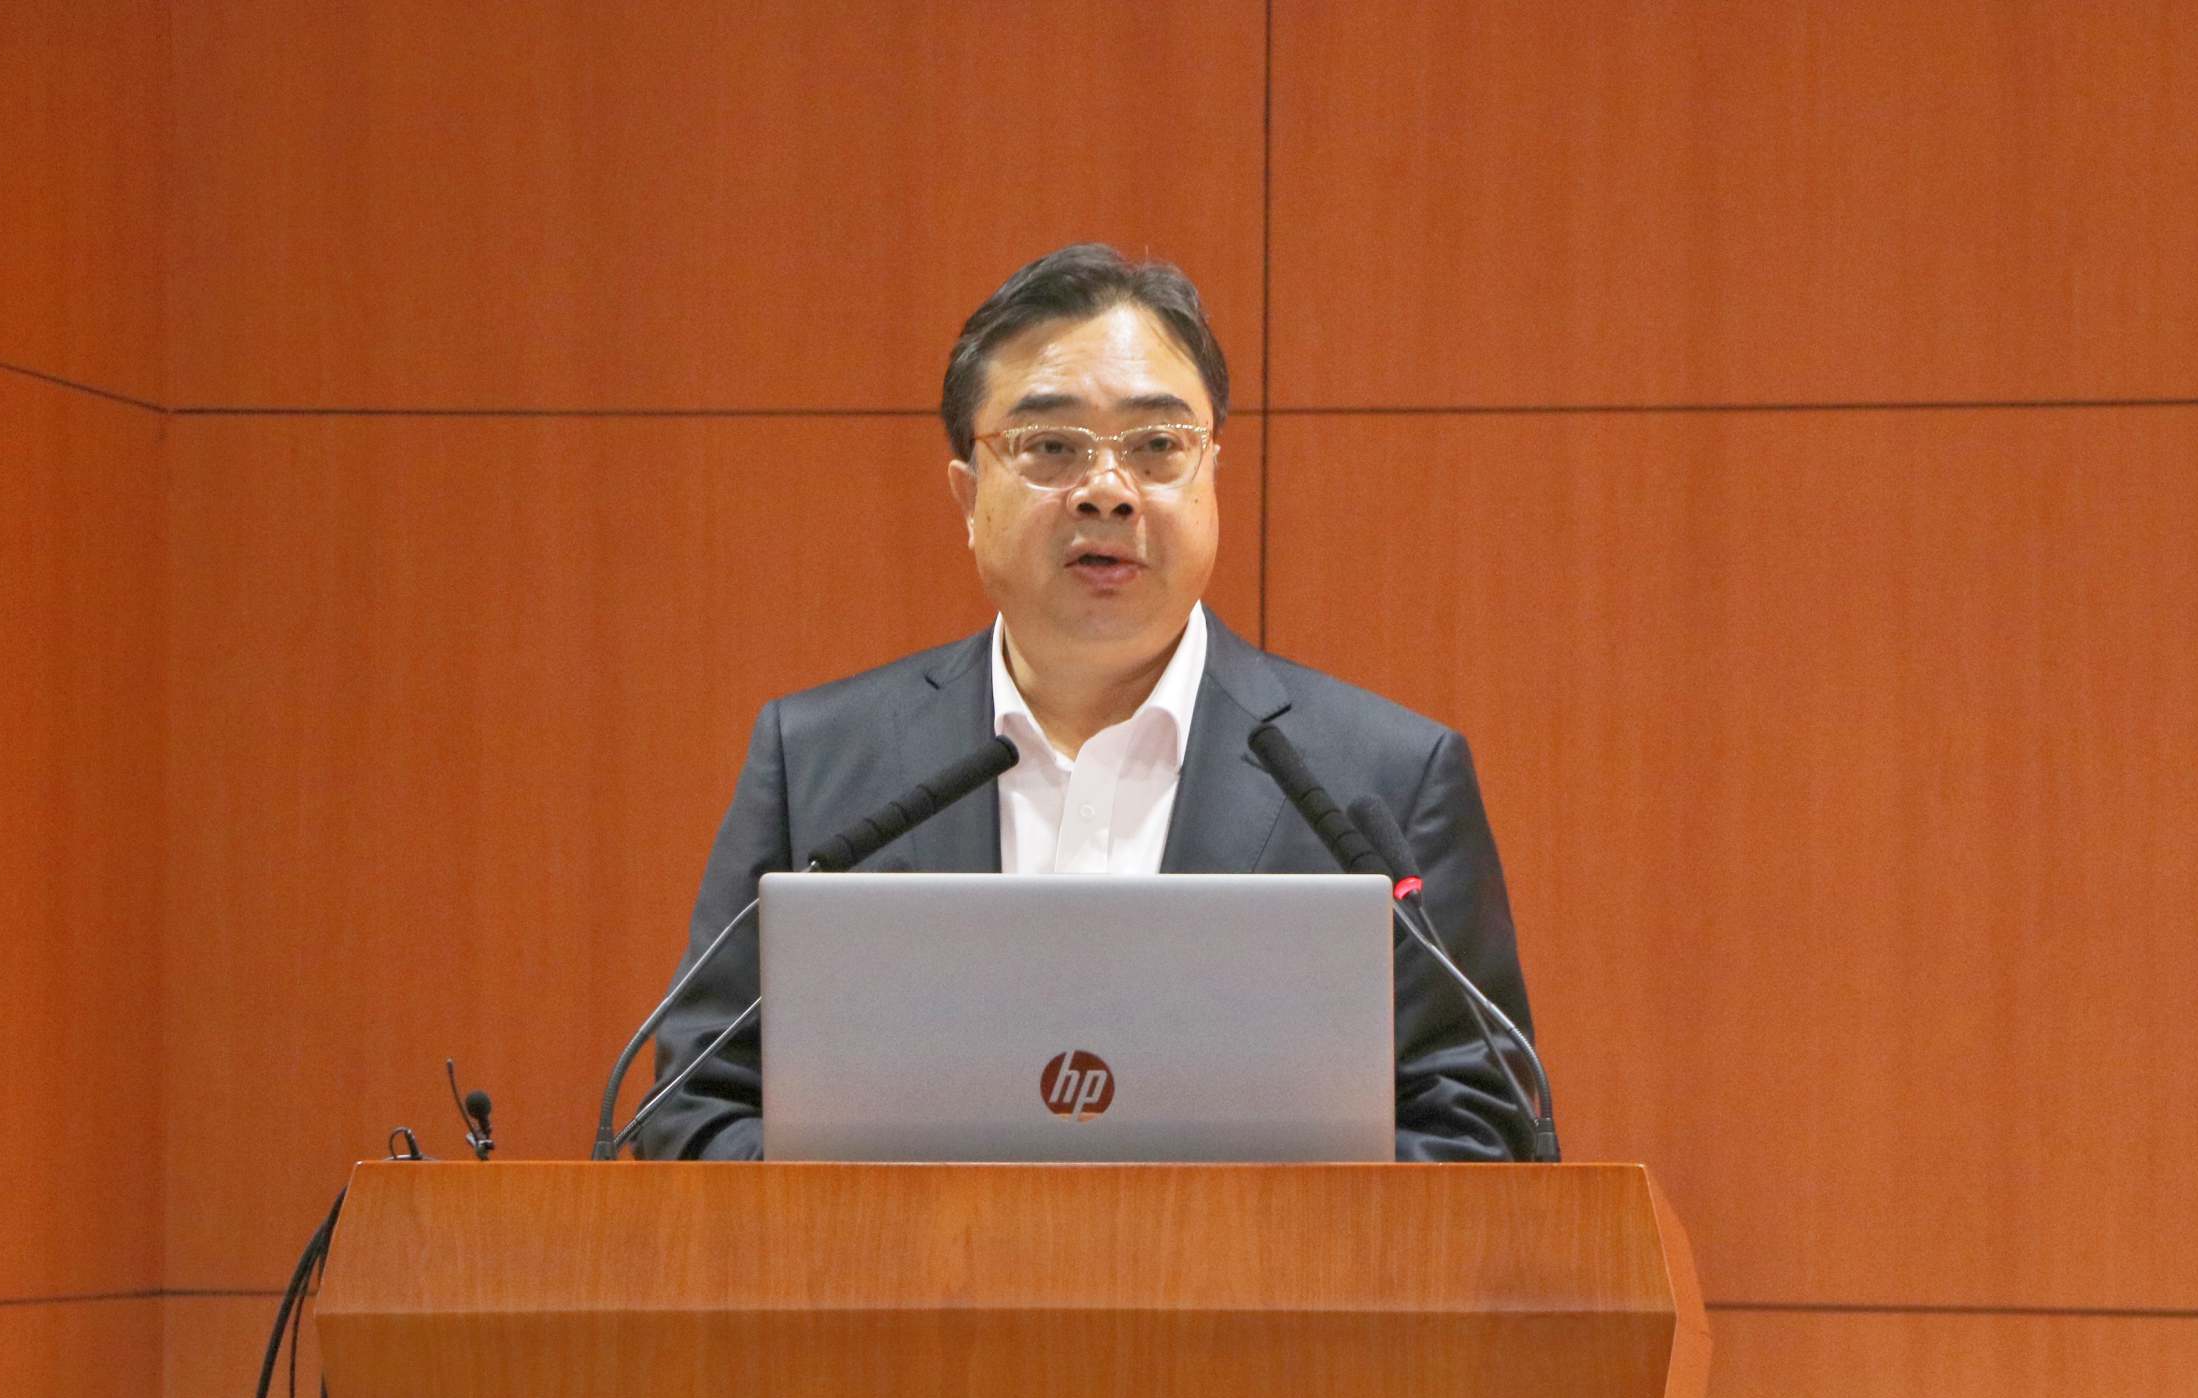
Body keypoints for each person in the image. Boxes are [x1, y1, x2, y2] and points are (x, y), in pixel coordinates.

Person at [635, 244, 1544, 1162]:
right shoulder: (821, 763)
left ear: (1211, 476)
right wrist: (903, 1231)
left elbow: (1485, 1138)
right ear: (967, 495)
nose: (1107, 491)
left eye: (1157, 447)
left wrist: (1233, 1236)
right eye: (1051, 447)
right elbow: (691, 1109)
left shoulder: (1381, 782)